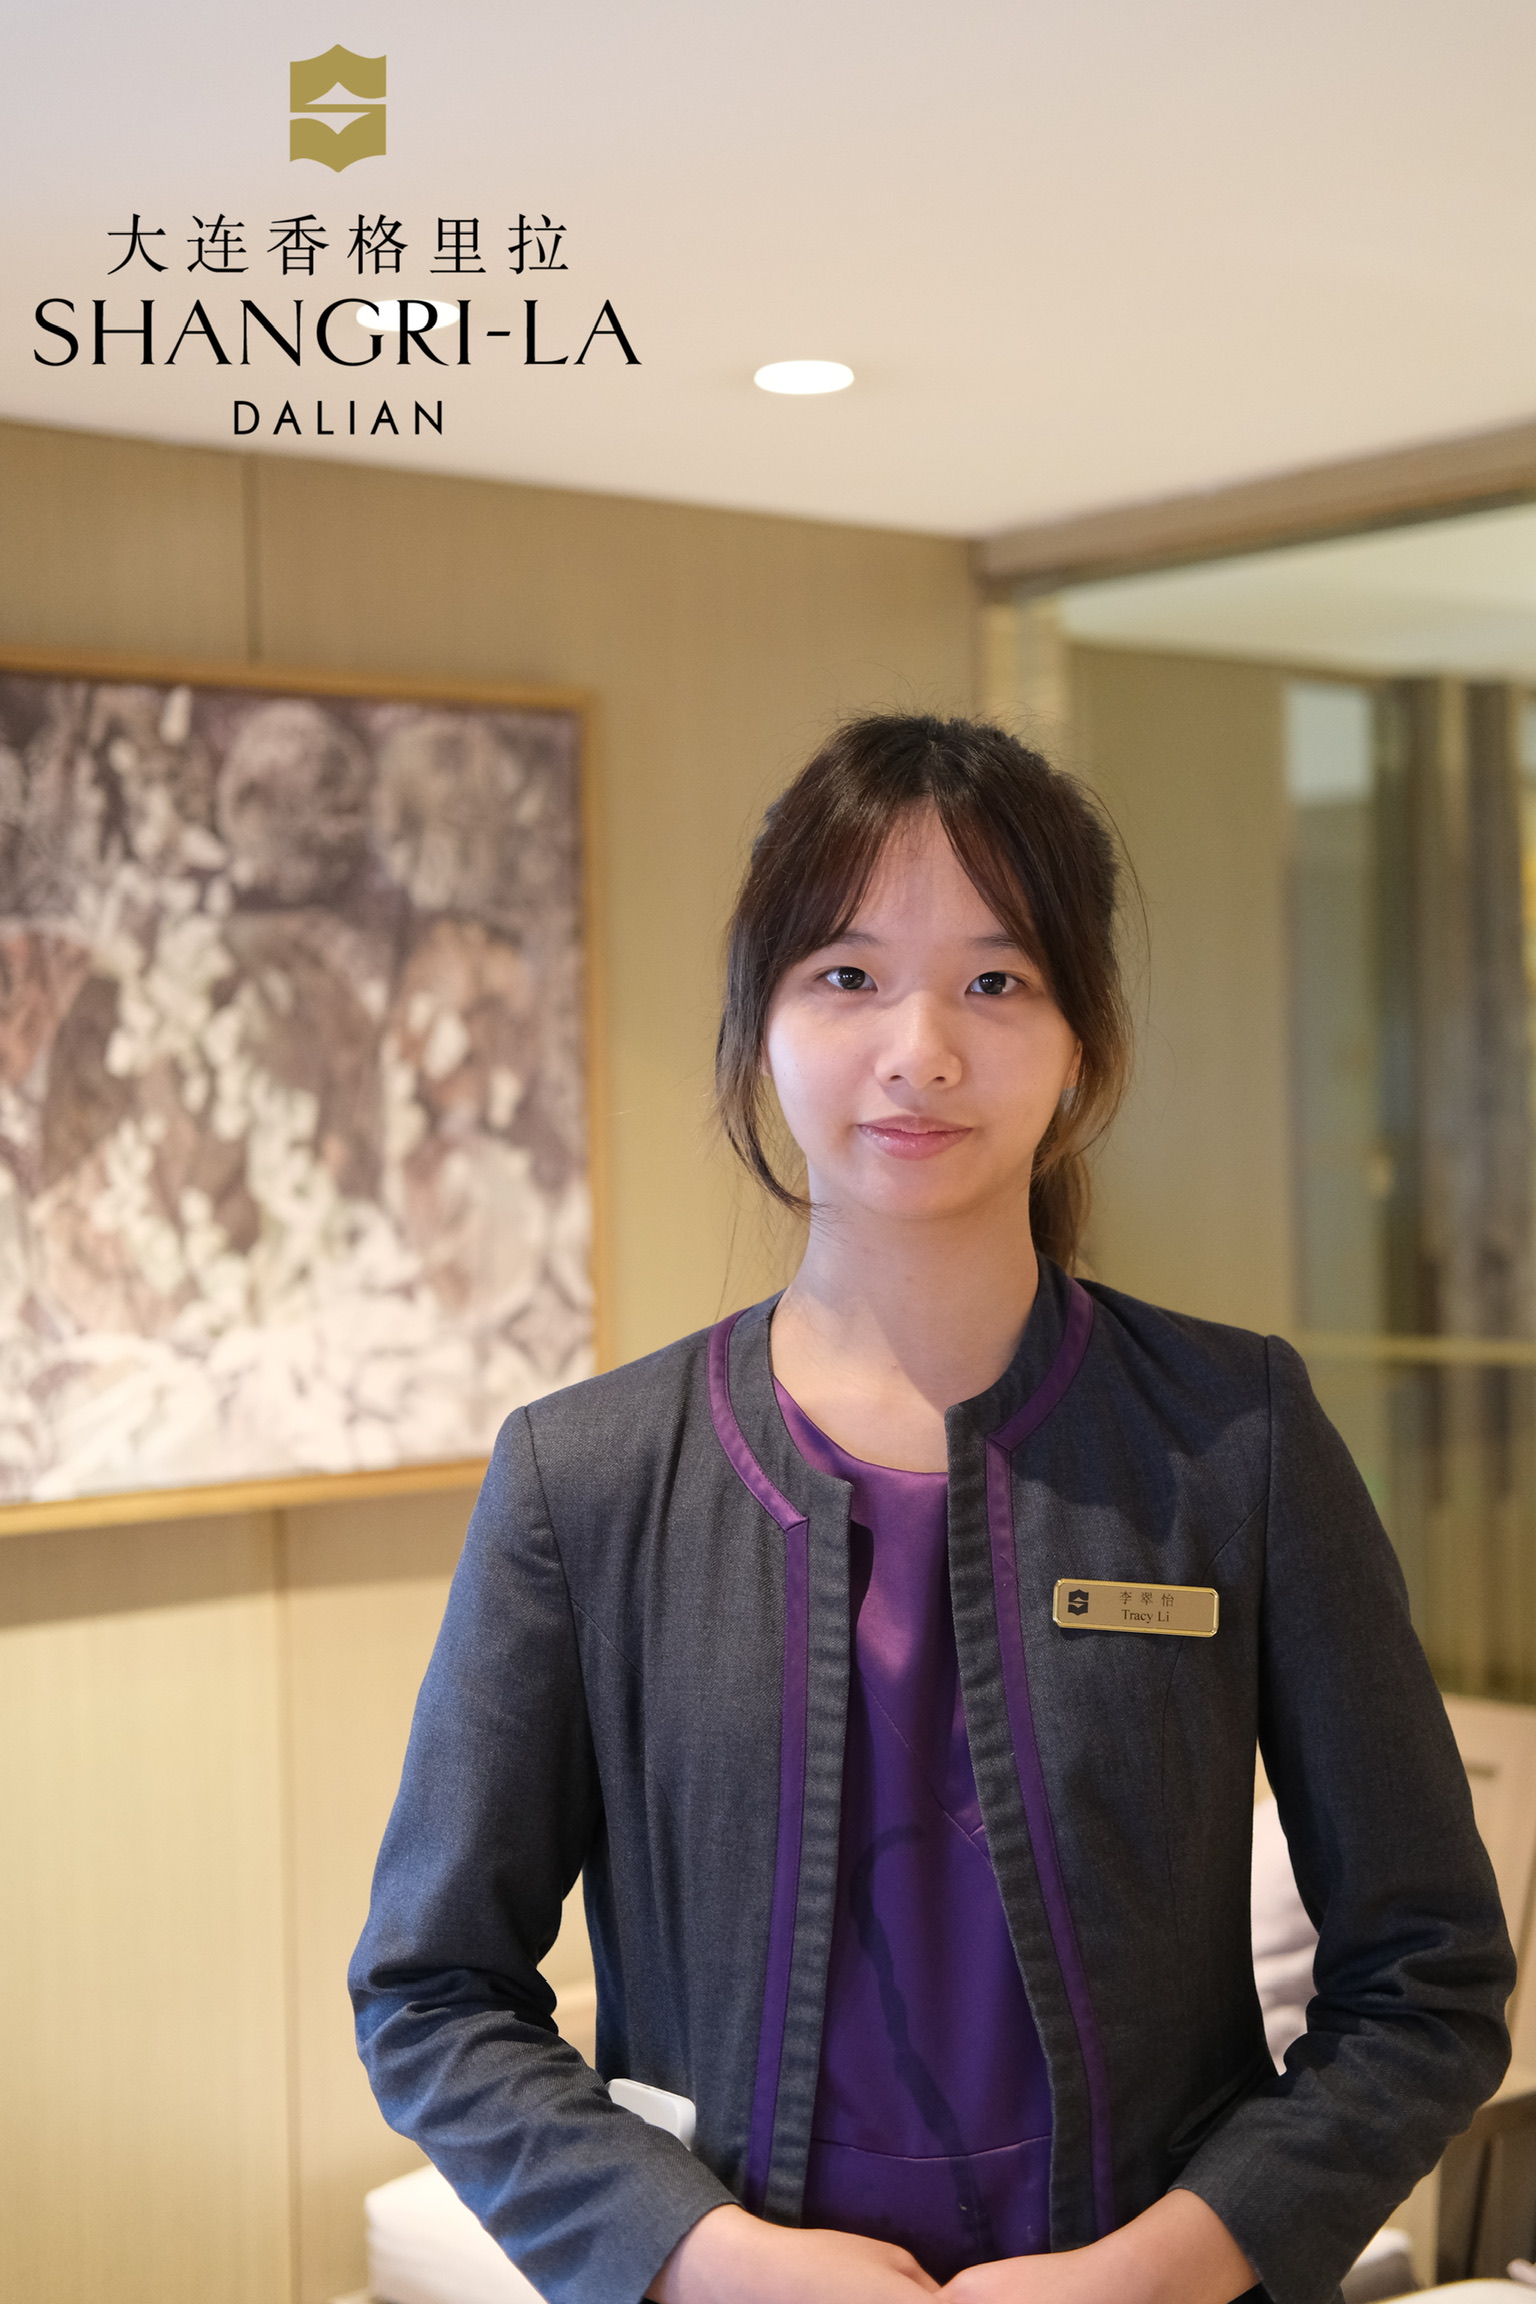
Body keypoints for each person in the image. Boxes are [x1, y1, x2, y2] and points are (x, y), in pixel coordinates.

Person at [351, 715, 1514, 2304]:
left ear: (1084, 1039)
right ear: (760, 1024)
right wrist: (709, 2262)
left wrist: (1156, 2274)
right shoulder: (588, 1477)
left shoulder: (1234, 1438)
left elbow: (1428, 1979)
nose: (921, 1050)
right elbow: (432, 1993)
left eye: (996, 980)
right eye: (847, 975)